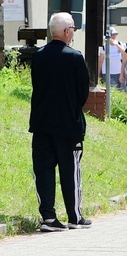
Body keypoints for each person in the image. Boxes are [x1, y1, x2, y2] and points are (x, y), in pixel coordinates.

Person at [30, 12, 91, 231]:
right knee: (70, 170)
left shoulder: (38, 55)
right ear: (66, 31)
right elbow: (82, 92)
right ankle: (75, 217)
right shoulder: (74, 57)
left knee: (43, 169)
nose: (73, 32)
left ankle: (48, 217)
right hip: (68, 124)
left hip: (41, 123)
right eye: (73, 29)